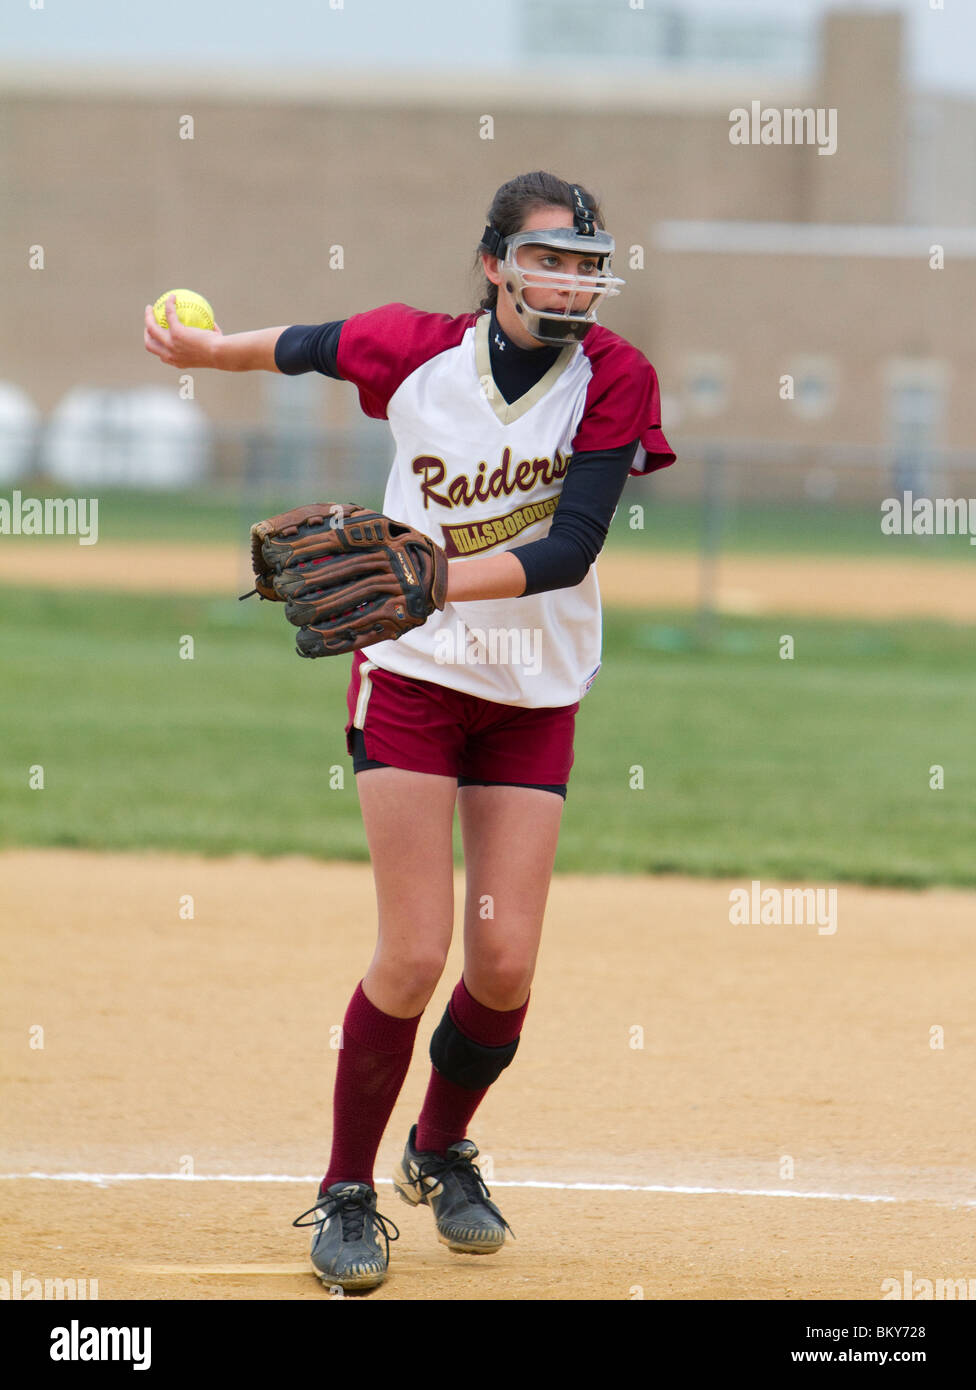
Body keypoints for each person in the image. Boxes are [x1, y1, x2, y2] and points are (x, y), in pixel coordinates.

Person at [143, 169, 675, 1293]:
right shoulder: (415, 347)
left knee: (505, 957)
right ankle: (346, 1191)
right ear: (493, 264)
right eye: (545, 256)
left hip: (533, 687)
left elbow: (572, 546)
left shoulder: (614, 375)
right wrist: (204, 352)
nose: (569, 278)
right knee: (415, 949)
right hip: (413, 679)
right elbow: (300, 345)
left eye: (584, 261)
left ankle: (438, 1149)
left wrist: (429, 573)